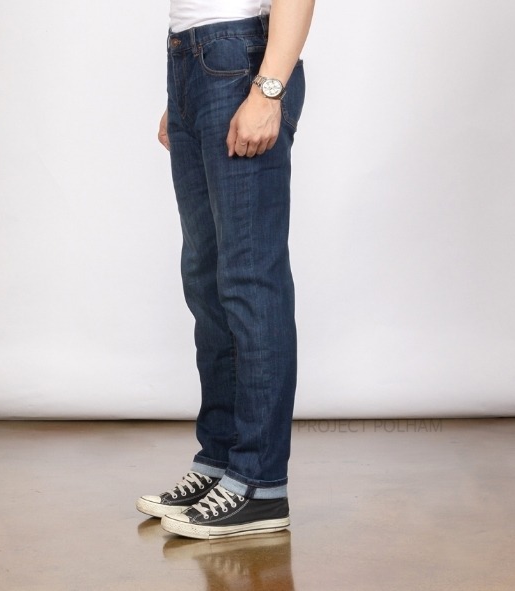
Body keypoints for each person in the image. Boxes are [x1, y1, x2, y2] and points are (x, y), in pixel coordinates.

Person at [136, 0, 315, 539]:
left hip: (241, 59)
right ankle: (220, 463)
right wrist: (186, 95)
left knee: (249, 279)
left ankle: (260, 486)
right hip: (192, 62)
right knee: (207, 279)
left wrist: (268, 90)